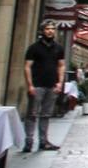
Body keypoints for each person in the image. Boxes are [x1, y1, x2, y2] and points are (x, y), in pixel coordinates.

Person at [22, 20, 65, 152]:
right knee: (32, 114)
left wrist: (60, 83)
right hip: (37, 85)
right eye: (47, 29)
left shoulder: (58, 48)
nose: (50, 31)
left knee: (46, 114)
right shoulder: (34, 48)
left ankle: (43, 141)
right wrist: (30, 85)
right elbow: (27, 67)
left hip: (52, 85)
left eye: (52, 29)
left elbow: (61, 65)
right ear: (42, 31)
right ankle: (28, 141)